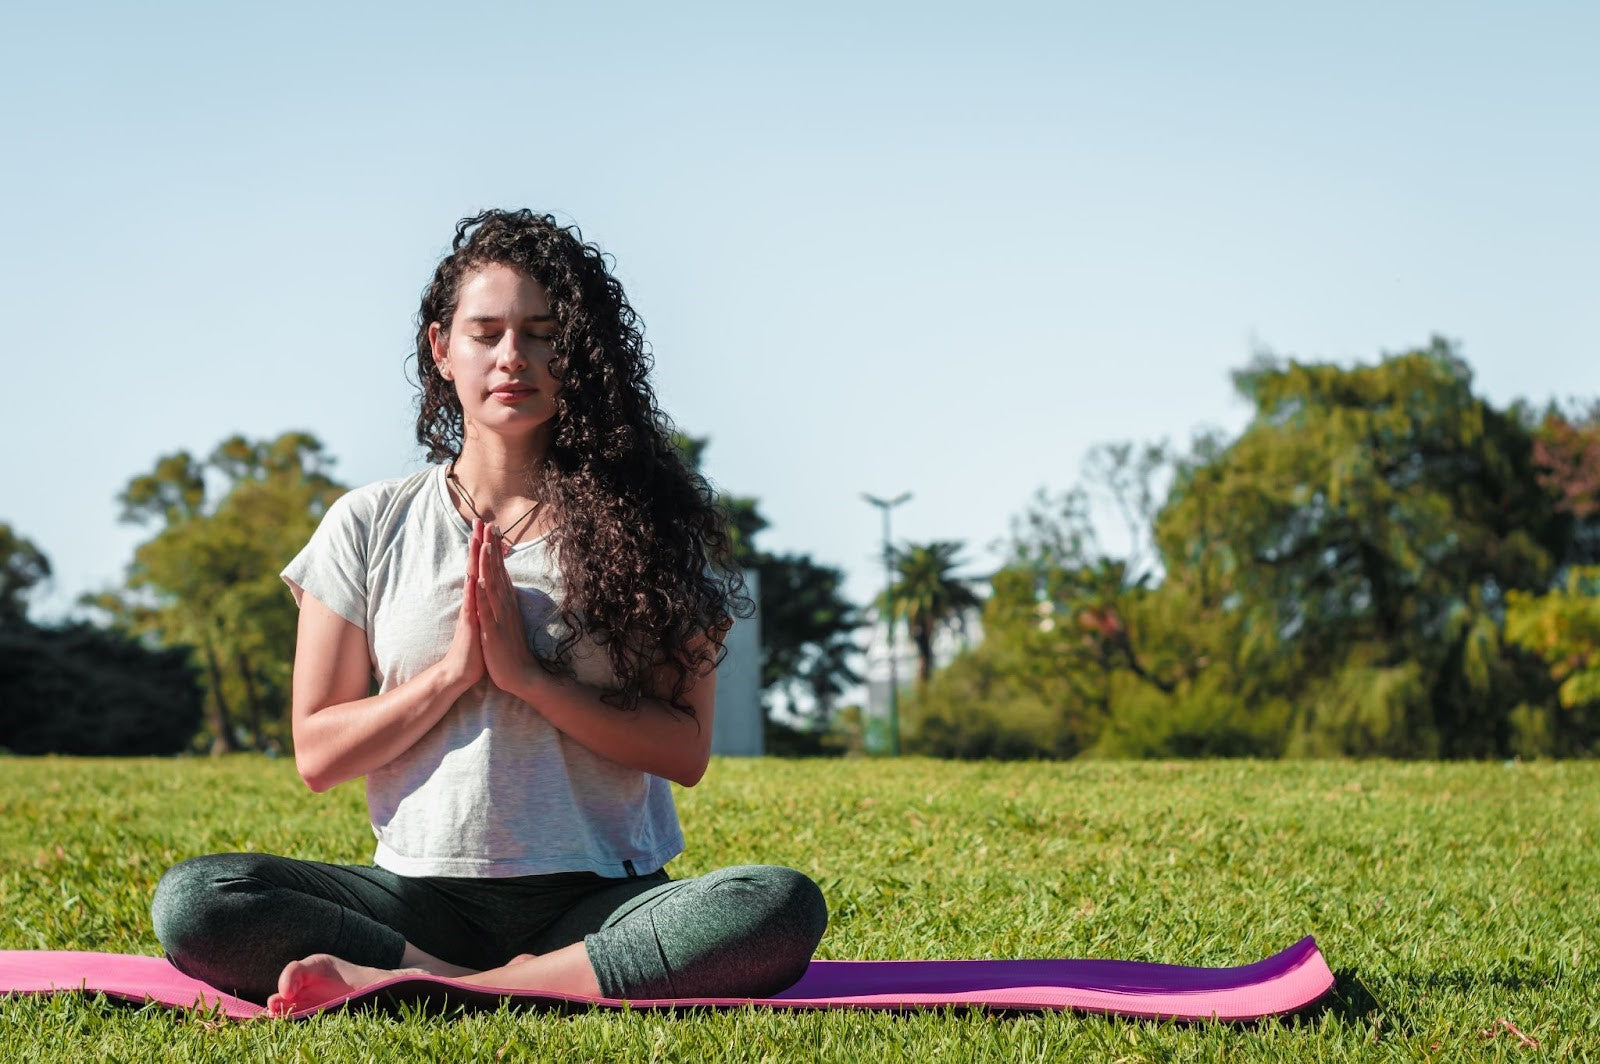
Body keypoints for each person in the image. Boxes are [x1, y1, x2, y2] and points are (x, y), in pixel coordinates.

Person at [150, 209, 828, 1014]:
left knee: (777, 905)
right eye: (488, 332)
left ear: (579, 353)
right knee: (199, 899)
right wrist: (454, 674)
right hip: (415, 901)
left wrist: (528, 679)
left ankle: (432, 989)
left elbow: (684, 750)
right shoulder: (368, 523)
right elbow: (317, 751)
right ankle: (503, 983)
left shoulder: (648, 526)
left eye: (545, 333)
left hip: (599, 901)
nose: (515, 358)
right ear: (442, 348)